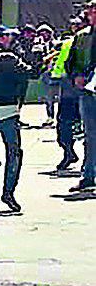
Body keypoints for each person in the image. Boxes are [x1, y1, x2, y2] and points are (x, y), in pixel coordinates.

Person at [0, 25, 38, 213]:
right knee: (13, 153)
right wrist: (38, 55)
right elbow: (32, 72)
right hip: (6, 110)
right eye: (6, 36)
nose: (10, 39)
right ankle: (8, 192)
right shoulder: (7, 58)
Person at [65, 0, 96, 195]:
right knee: (90, 135)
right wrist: (76, 76)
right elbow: (71, 61)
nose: (92, 14)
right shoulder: (82, 36)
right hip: (88, 92)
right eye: (91, 11)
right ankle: (88, 175)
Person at [51, 18, 83, 173]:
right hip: (69, 91)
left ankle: (88, 162)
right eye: (74, 25)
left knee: (86, 127)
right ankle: (68, 152)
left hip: (84, 90)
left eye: (78, 24)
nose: (75, 27)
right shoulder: (68, 42)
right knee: (64, 125)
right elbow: (61, 65)